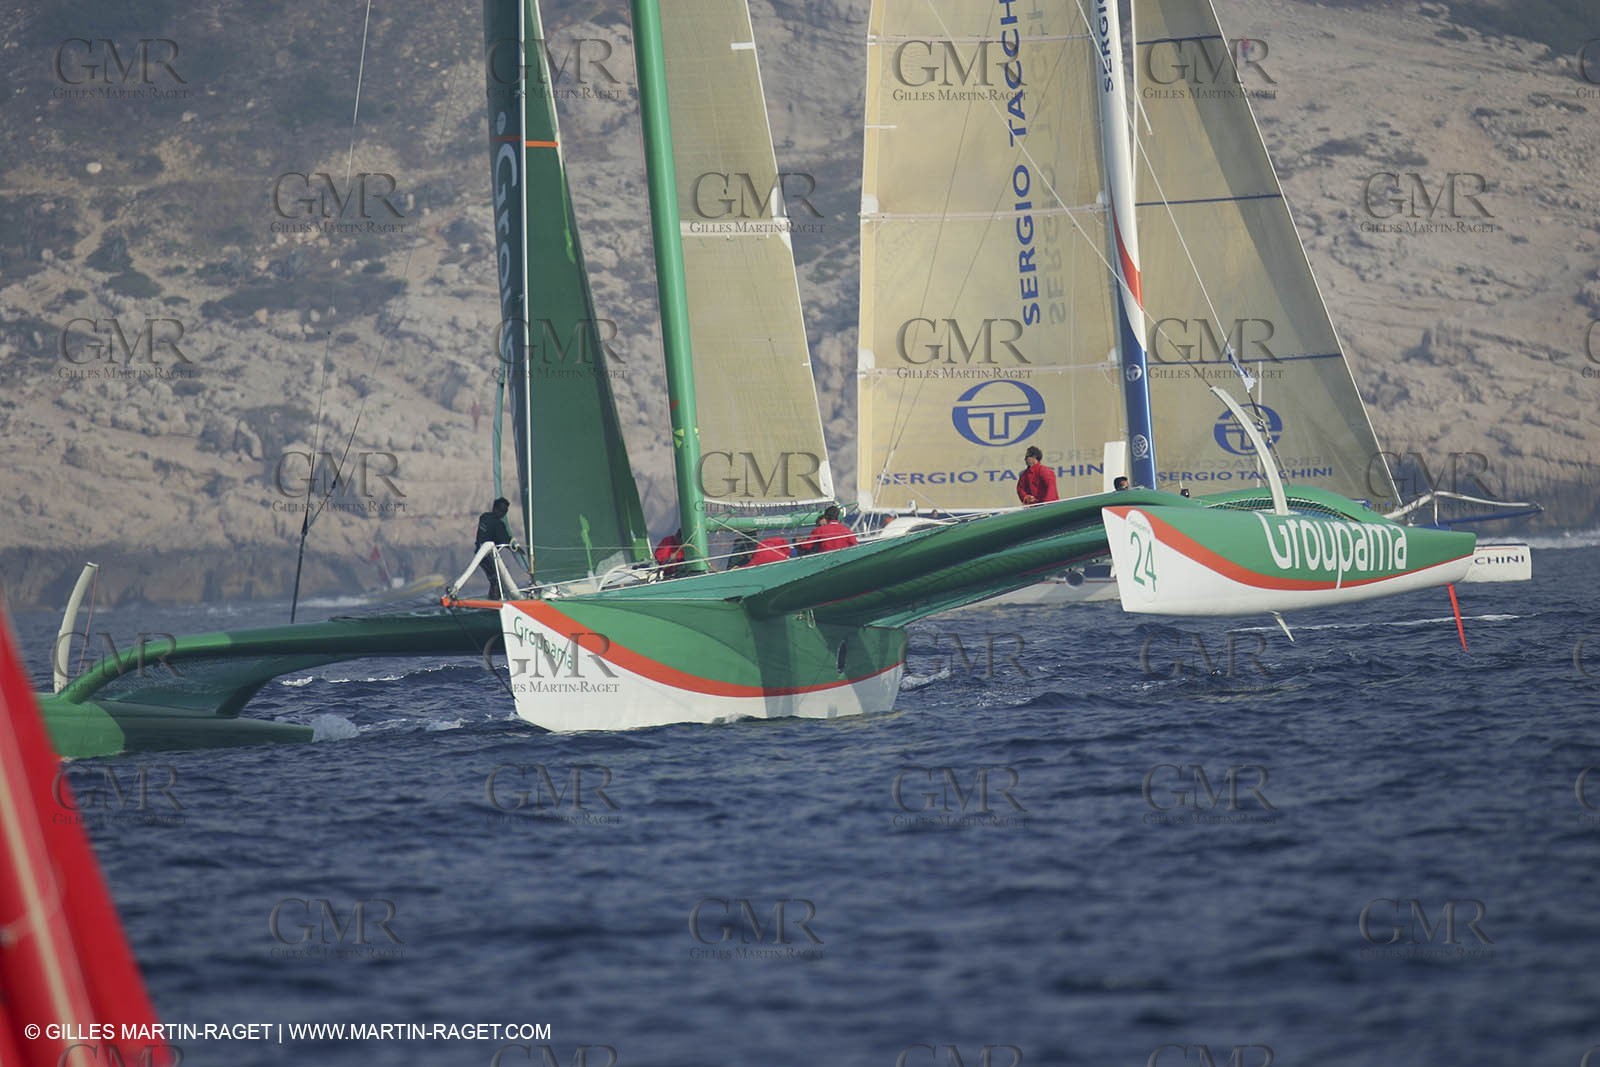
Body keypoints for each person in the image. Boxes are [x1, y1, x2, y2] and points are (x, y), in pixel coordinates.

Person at [475, 497, 519, 599]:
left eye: (505, 511)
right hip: (487, 555)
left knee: (494, 579)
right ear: (495, 508)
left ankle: (494, 599)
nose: (503, 513)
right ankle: (495, 602)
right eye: (501, 510)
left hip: (479, 553)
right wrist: (516, 548)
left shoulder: (484, 517)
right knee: (496, 579)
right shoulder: (498, 524)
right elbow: (504, 540)